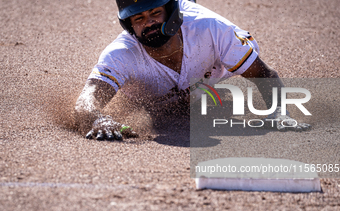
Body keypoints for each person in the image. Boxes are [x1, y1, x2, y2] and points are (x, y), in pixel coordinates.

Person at [74, 0, 310, 141]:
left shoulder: (212, 31)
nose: (149, 23)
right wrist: (98, 118)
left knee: (201, 96)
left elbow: (266, 76)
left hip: (212, 66)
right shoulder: (121, 53)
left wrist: (279, 112)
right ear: (128, 25)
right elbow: (86, 101)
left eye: (156, 13)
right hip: (157, 93)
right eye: (139, 18)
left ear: (171, 12)